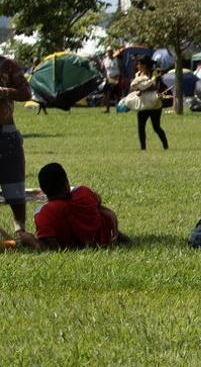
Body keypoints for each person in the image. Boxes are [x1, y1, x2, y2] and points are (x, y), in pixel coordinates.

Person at [31, 162, 130, 249]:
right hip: (106, 233)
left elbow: (49, 245)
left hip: (76, 242)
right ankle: (120, 237)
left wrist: (28, 239)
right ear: (66, 183)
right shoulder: (83, 192)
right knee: (101, 210)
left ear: (43, 190)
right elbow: (98, 199)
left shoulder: (44, 213)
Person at [0, 53, 33, 239]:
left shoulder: (8, 65)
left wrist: (4, 91)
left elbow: (27, 93)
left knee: (14, 185)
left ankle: (20, 230)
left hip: (6, 132)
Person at [129, 57, 169, 150]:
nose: (137, 66)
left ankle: (165, 145)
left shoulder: (155, 73)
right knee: (141, 127)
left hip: (154, 103)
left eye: (139, 64)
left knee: (156, 127)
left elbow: (155, 86)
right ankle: (143, 148)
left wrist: (141, 89)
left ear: (144, 65)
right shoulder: (138, 74)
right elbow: (135, 86)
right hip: (143, 104)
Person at [101, 49, 123, 113]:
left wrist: (120, 78)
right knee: (107, 94)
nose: (109, 53)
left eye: (110, 52)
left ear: (112, 52)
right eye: (108, 52)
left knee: (117, 95)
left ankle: (118, 109)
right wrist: (104, 77)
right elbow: (103, 69)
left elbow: (121, 69)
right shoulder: (105, 60)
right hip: (108, 79)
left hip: (116, 78)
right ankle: (107, 109)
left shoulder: (117, 60)